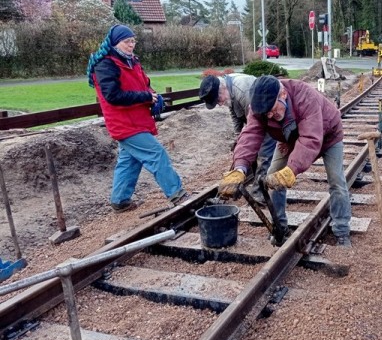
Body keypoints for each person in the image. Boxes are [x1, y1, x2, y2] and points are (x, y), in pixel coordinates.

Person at [218, 75, 352, 247]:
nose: (271, 115)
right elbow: (250, 135)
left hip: (328, 136)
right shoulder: (261, 108)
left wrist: (292, 169)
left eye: (273, 110)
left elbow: (311, 139)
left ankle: (341, 230)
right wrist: (240, 168)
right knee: (273, 178)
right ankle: (280, 228)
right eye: (267, 114)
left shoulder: (304, 96)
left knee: (337, 182)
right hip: (289, 138)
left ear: (282, 94)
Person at [86, 24, 188, 212]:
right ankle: (178, 195)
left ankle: (120, 201)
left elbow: (143, 84)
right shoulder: (105, 65)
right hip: (124, 123)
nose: (131, 45)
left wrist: (153, 96)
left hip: (138, 120)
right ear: (116, 43)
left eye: (133, 41)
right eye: (127, 42)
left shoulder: (132, 61)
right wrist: (145, 97)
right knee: (157, 154)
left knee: (129, 161)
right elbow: (112, 96)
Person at [199, 73, 276, 204]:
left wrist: (245, 143)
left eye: (218, 100)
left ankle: (259, 194)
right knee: (244, 149)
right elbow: (235, 114)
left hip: (269, 119)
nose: (219, 104)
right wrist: (238, 138)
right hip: (257, 119)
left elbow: (256, 124)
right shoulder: (228, 91)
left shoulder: (242, 90)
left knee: (264, 154)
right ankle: (247, 175)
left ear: (222, 89)